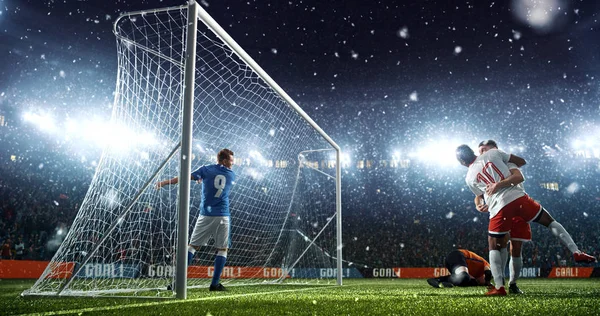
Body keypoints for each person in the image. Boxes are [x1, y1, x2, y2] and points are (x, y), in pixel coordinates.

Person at [456, 144, 596, 296]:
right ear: (474, 151)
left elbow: (484, 192)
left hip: (500, 206)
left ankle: (500, 287)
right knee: (549, 222)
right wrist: (506, 163)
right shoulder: (495, 154)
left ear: (462, 163)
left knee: (495, 245)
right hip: (519, 198)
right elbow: (520, 163)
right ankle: (575, 251)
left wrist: (493, 189)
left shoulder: (469, 178)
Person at [157, 148, 235, 292]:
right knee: (222, 249)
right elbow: (219, 180)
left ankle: (177, 283)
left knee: (192, 247)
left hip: (205, 214)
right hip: (223, 215)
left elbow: (185, 177)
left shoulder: (206, 170)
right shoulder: (231, 174)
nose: (233, 163)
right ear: (224, 161)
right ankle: (214, 284)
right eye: (231, 160)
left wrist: (165, 183)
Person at [476, 140, 526, 294]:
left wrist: (498, 185)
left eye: (485, 149)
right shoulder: (481, 168)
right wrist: (478, 204)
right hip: (497, 209)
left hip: (516, 205)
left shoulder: (507, 163)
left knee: (516, 247)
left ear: (495, 149)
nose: (482, 153)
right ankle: (501, 283)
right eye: (480, 151)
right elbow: (478, 194)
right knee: (500, 243)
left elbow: (519, 176)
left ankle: (513, 283)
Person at [427, 249, 492, 288]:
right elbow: (488, 272)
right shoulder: (485, 264)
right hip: (458, 255)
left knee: (469, 281)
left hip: (452, 262)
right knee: (465, 277)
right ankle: (438, 280)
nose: (481, 283)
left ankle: (448, 282)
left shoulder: (475, 275)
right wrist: (487, 282)